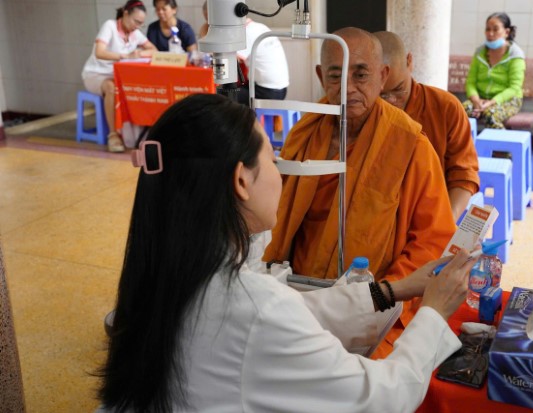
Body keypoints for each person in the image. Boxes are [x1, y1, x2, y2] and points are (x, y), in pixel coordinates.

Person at [95, 93, 475, 412]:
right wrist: (434, 312)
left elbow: (296, 313)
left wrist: (392, 290)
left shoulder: (161, 275)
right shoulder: (255, 306)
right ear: (241, 181)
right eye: (271, 158)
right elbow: (381, 397)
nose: (279, 171)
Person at [263, 27, 457, 359]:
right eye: (336, 75)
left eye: (361, 74)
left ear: (382, 76)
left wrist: (385, 296)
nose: (348, 88)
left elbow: (431, 240)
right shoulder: (304, 134)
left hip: (380, 301)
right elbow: (276, 216)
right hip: (301, 294)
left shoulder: (409, 144)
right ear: (321, 76)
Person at [374, 31, 480, 222]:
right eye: (381, 95)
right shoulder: (360, 113)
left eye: (398, 90)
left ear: (409, 61)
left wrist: (444, 223)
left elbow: (464, 175)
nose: (391, 102)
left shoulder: (445, 107)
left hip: (432, 215)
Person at [81, 0, 156, 152]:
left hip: (117, 75)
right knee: (111, 87)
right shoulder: (110, 26)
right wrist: (125, 56)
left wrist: (139, 53)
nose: (138, 26)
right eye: (136, 21)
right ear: (125, 14)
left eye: (141, 24)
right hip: (96, 74)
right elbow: (99, 52)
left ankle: (137, 135)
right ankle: (113, 135)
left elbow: (154, 50)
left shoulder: (135, 33)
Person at [462, 12, 525, 129]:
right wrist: (476, 100)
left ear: (506, 32)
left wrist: (491, 102)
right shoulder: (480, 53)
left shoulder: (515, 55)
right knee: (461, 111)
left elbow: (514, 87)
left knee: (490, 115)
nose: (490, 33)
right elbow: (470, 81)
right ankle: (467, 141)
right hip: (480, 98)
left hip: (507, 100)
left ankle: (503, 141)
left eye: (495, 29)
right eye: (488, 29)